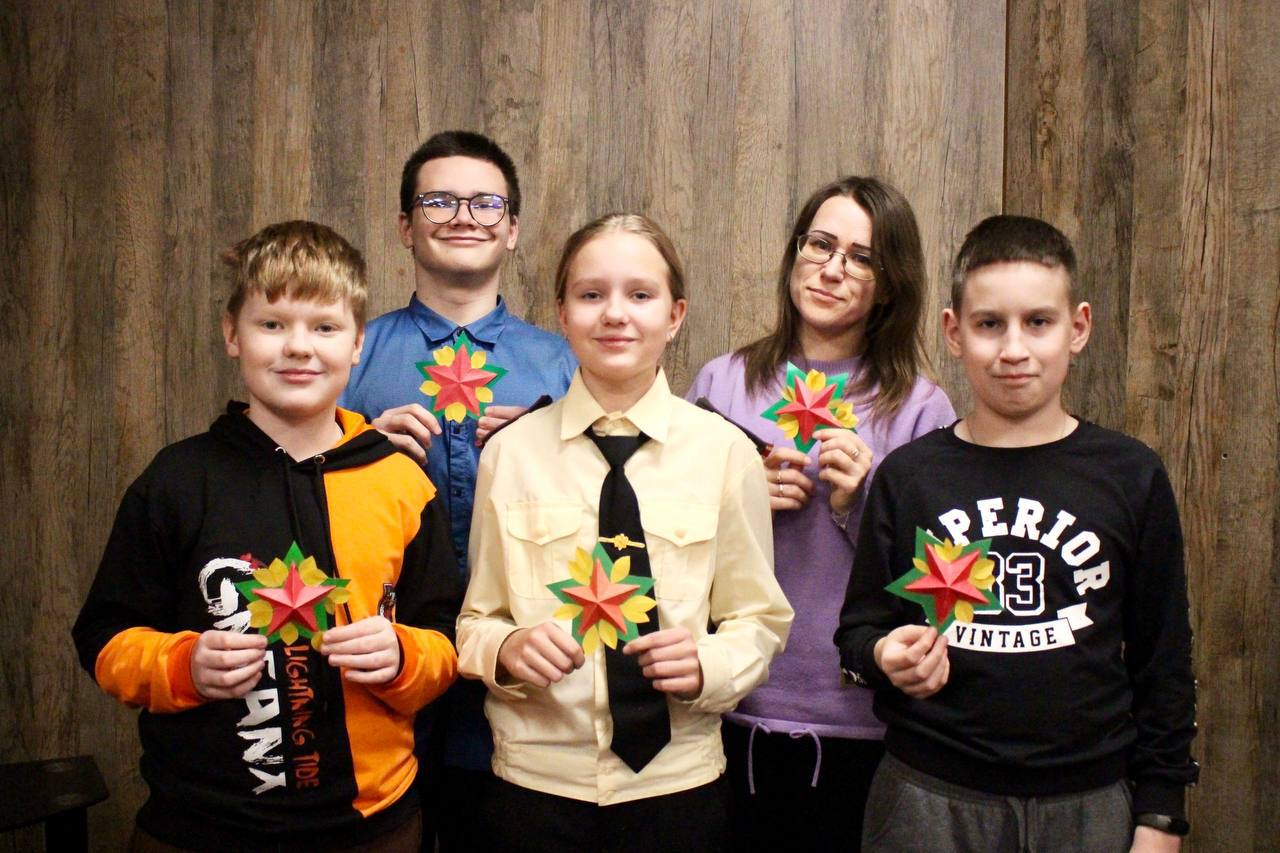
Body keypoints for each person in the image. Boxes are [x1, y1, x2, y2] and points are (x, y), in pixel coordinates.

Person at [71, 221, 461, 851]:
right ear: (233, 334)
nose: (298, 347)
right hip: (196, 826)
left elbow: (445, 640)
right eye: (273, 324)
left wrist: (402, 656)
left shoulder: (402, 484)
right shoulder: (176, 480)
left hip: (371, 825)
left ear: (358, 343)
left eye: (325, 327)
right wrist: (183, 665)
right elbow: (103, 640)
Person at [836, 215, 1198, 852]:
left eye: (1038, 322)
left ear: (1077, 328)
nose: (1013, 349)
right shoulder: (910, 477)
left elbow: (1163, 658)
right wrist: (885, 656)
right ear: (954, 332)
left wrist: (1161, 813)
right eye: (989, 324)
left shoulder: (1130, 474)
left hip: (1089, 801)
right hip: (928, 795)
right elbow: (857, 634)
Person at [456, 213, 794, 852]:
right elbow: (476, 621)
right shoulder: (510, 453)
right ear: (562, 314)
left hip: (677, 787)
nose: (615, 313)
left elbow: (759, 618)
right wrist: (507, 648)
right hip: (534, 787)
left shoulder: (726, 453)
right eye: (591, 294)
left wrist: (709, 663)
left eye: (640, 294)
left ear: (675, 315)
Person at [686, 175, 954, 850]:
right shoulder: (723, 382)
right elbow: (668, 539)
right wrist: (739, 503)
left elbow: (943, 584)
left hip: (861, 717)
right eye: (820, 244)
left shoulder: (921, 408)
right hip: (731, 702)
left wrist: (861, 504)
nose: (832, 269)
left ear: (889, 285)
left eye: (861, 258)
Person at [339, 131, 575, 848]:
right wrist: (357, 450)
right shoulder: (348, 351)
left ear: (512, 228)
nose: (464, 215)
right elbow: (287, 489)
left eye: (485, 202)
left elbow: (619, 503)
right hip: (380, 652)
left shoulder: (565, 362)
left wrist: (548, 452)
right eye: (438, 201)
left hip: (523, 650)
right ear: (405, 227)